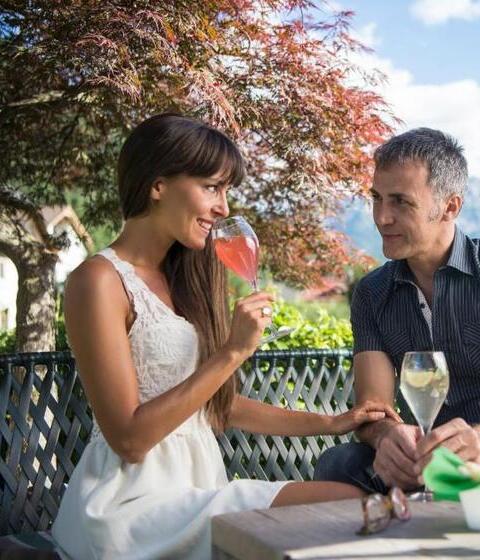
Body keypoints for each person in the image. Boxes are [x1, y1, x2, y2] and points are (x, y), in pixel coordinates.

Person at [51, 114, 398, 559]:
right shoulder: (98, 281)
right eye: (212, 187)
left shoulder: (186, 277)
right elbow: (129, 440)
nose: (223, 207)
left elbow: (218, 407)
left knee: (349, 503)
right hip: (133, 505)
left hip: (195, 489)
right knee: (346, 505)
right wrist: (233, 351)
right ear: (158, 185)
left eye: (226, 191)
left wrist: (331, 422)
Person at [314, 128, 480, 494]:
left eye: (401, 202)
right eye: (377, 199)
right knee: (339, 463)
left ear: (450, 207)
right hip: (425, 464)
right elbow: (373, 408)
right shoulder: (371, 293)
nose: (382, 217)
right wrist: (387, 437)